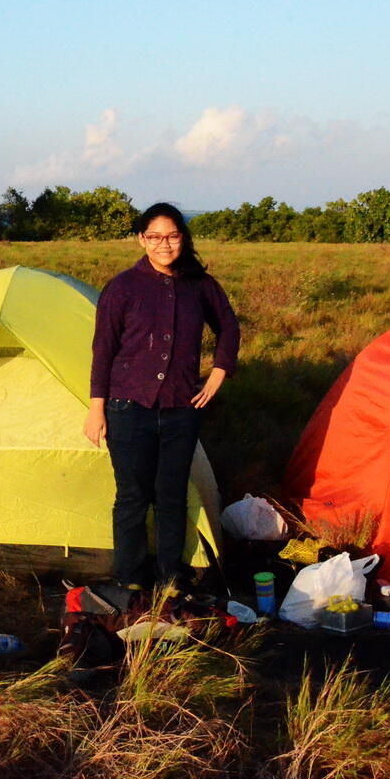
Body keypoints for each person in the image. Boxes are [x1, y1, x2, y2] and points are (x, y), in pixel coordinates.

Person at [83, 203, 239, 589]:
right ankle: (130, 579)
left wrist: (218, 374)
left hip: (180, 408)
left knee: (171, 496)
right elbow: (103, 349)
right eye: (154, 237)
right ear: (141, 239)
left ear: (183, 238)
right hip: (127, 407)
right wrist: (96, 408)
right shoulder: (122, 287)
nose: (163, 245)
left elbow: (229, 328)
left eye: (171, 236)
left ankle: (172, 577)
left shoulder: (201, 285)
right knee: (132, 497)